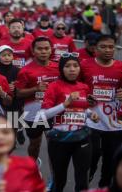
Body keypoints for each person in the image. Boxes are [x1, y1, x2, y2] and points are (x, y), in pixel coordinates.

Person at [40, 53, 99, 192]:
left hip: (82, 138)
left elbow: (81, 109)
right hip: (60, 139)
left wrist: (91, 115)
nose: (72, 69)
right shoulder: (54, 86)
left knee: (82, 180)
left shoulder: (83, 87)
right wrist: (65, 104)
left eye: (75, 66)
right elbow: (43, 114)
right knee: (60, 180)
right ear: (61, 69)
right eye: (67, 66)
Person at [80, 34, 122, 187]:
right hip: (92, 119)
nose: (107, 50)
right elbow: (73, 86)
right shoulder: (84, 65)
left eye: (111, 47)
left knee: (111, 160)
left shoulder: (120, 67)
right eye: (103, 47)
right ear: (95, 49)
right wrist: (84, 97)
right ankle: (89, 173)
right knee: (93, 154)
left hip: (115, 123)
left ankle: (103, 185)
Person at [15, 36, 59, 162]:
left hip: (54, 110)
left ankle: (54, 177)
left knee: (54, 145)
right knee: (35, 144)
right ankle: (32, 168)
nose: (43, 51)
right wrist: (36, 89)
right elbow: (18, 93)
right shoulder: (25, 70)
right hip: (35, 113)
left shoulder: (58, 68)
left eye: (46, 48)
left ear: (51, 50)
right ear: (33, 51)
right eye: (39, 49)